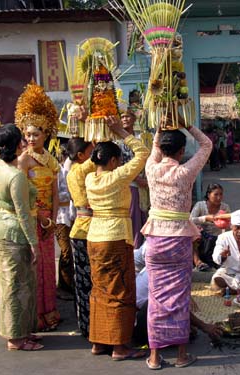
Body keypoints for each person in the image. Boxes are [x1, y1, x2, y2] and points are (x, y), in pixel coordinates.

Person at [141, 121, 212, 369]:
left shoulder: (151, 168)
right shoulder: (185, 172)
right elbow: (207, 144)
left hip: (155, 241)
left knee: (156, 297)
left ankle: (154, 356)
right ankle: (181, 355)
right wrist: (187, 125)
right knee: (180, 297)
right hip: (180, 240)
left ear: (161, 148)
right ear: (182, 152)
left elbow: (154, 148)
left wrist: (159, 129)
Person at [85, 117, 149, 360]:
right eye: (118, 160)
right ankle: (120, 346)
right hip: (115, 238)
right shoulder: (118, 176)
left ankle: (99, 342)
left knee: (100, 289)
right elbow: (142, 152)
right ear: (113, 161)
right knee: (120, 291)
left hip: (95, 238)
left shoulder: (90, 178)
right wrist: (121, 131)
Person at [0, 124, 42, 351]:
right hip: (14, 234)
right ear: (16, 145)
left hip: (1, 228)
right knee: (15, 287)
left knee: (14, 284)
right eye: (21, 140)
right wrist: (34, 243)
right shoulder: (15, 176)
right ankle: (16, 339)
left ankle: (22, 332)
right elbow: (22, 213)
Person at [16, 82, 61, 332]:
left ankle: (49, 312)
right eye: (28, 134)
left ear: (45, 134)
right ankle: (35, 316)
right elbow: (21, 194)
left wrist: (53, 218)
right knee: (33, 267)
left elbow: (55, 192)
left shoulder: (51, 159)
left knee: (47, 265)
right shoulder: (23, 161)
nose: (31, 139)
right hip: (32, 218)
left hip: (46, 220)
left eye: (36, 134)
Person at [132, 241, 223, 347]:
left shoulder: (158, 264)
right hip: (142, 321)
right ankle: (179, 352)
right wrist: (204, 326)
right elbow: (176, 306)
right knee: (185, 331)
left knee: (185, 323)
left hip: (138, 317)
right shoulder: (172, 273)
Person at [66, 137, 95, 339]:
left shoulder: (72, 170)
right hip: (87, 229)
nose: (93, 155)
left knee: (83, 281)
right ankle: (91, 325)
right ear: (80, 155)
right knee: (89, 282)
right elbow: (100, 156)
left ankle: (86, 324)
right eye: (90, 151)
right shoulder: (81, 171)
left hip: (80, 228)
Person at [119, 108, 148, 249]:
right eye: (122, 117)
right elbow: (121, 163)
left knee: (143, 216)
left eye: (127, 116)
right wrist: (137, 179)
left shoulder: (140, 139)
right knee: (133, 218)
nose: (125, 119)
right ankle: (134, 249)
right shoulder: (118, 141)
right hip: (130, 183)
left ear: (134, 119)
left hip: (143, 181)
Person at [190, 183, 231, 270]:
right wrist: (205, 218)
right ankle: (197, 261)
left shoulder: (225, 207)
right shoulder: (200, 205)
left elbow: (228, 227)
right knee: (193, 233)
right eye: (216, 194)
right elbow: (190, 220)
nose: (219, 197)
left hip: (216, 238)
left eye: (221, 194)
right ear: (208, 195)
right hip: (200, 237)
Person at [55, 147, 75, 299]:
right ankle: (64, 286)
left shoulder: (72, 171)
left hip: (72, 215)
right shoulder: (58, 172)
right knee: (66, 251)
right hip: (60, 217)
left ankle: (68, 283)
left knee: (70, 252)